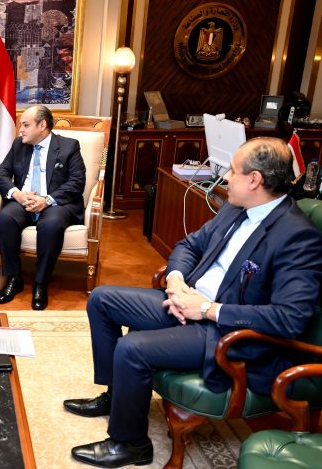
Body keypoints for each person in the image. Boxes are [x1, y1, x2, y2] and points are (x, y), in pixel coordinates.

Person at [65, 137, 322, 468]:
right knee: (102, 300)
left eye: (233, 170)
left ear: (254, 180)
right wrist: (176, 282)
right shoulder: (234, 208)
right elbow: (189, 245)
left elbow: (289, 318)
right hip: (187, 301)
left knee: (132, 348)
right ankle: (116, 397)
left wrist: (206, 309)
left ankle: (130, 444)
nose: (225, 177)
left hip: (223, 331)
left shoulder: (297, 237)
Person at [0, 104, 86, 310]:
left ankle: (40, 283)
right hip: (24, 200)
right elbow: (1, 173)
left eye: (26, 125)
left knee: (50, 225)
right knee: (5, 219)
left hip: (55, 203)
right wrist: (17, 194)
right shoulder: (19, 145)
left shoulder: (69, 146)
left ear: (42, 125)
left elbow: (77, 182)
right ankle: (13, 278)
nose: (21, 130)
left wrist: (47, 199)